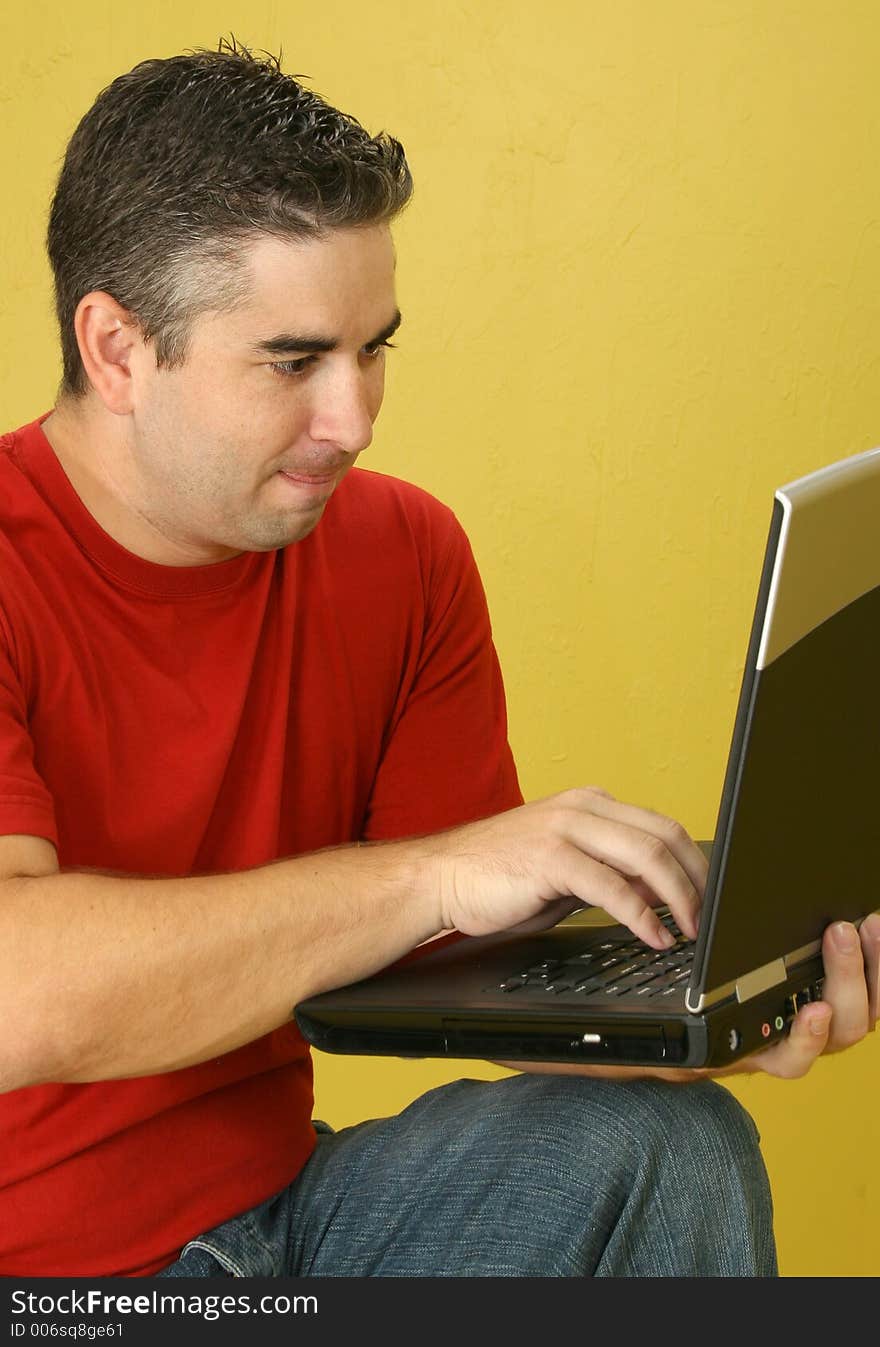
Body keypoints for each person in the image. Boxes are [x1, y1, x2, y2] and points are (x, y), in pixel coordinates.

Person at [0, 40, 876, 1281]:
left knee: (671, 1145)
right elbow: (15, 996)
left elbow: (465, 963)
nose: (352, 420)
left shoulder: (402, 555)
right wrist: (432, 876)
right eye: (295, 362)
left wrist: (704, 1002)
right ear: (117, 350)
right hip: (41, 1287)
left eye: (375, 350)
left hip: (281, 1224)